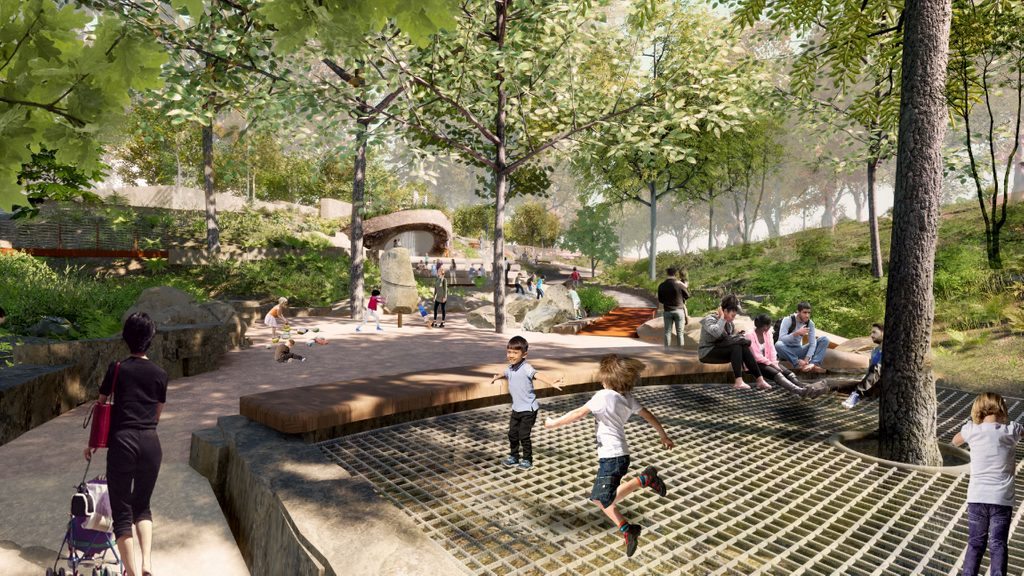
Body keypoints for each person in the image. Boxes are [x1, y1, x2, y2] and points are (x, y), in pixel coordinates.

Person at [544, 354, 674, 558]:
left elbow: (578, 413)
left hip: (612, 458)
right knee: (602, 500)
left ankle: (645, 481)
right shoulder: (627, 398)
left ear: (607, 380)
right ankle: (627, 528)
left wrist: (553, 424)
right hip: (618, 456)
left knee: (602, 498)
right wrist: (663, 435)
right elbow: (648, 415)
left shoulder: (603, 396)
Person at [84, 312, 166, 576]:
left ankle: (130, 572)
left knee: (122, 513)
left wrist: (94, 441)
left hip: (123, 442)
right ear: (151, 339)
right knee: (142, 505)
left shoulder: (117, 368)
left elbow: (101, 404)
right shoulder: (160, 374)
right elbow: (157, 415)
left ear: (126, 337)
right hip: (151, 443)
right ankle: (147, 565)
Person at [952, 392, 1023, 576]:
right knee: (998, 544)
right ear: (1002, 409)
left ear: (978, 409)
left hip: (977, 498)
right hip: (1001, 500)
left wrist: (972, 427)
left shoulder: (972, 430)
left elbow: (955, 441)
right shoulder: (1011, 431)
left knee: (975, 543)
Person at [489, 336, 564, 470]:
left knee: (523, 435)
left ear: (524, 354)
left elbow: (538, 375)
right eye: (509, 352)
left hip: (529, 410)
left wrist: (551, 382)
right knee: (512, 434)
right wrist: (497, 377)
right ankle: (514, 456)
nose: (511, 355)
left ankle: (527, 459)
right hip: (516, 409)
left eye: (515, 353)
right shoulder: (510, 368)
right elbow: (504, 372)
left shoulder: (526, 368)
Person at [698, 295, 772, 391]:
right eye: (732, 315)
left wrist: (738, 336)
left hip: (720, 351)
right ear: (725, 311)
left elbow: (728, 340)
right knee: (736, 346)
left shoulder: (729, 324)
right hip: (707, 353)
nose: (733, 318)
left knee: (742, 346)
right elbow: (716, 333)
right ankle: (739, 381)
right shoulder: (710, 319)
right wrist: (722, 318)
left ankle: (760, 380)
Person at [748, 314, 827, 398]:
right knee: (777, 373)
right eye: (768, 326)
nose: (770, 328)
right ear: (765, 326)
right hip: (755, 364)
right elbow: (757, 356)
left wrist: (774, 363)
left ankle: (806, 388)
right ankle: (800, 391)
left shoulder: (767, 334)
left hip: (768, 362)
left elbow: (772, 351)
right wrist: (772, 365)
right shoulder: (749, 335)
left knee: (788, 373)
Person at [775, 302, 829, 374]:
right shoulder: (788, 320)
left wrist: (806, 360)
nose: (807, 315)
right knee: (778, 344)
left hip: (799, 350)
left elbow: (812, 343)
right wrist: (796, 333)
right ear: (798, 312)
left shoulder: (810, 323)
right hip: (786, 351)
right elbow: (781, 339)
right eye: (804, 312)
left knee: (824, 339)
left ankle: (813, 364)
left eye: (809, 313)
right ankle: (797, 364)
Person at [841, 323, 884, 409]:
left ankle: (857, 394)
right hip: (872, 384)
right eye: (871, 333)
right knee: (842, 383)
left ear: (883, 332)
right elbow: (870, 371)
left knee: (877, 367)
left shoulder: (892, 348)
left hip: (885, 383)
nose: (871, 335)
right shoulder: (875, 351)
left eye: (874, 332)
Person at [657, 268, 690, 348]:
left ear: (667, 274)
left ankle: (667, 350)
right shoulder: (679, 284)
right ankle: (680, 351)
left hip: (667, 311)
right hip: (679, 311)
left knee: (667, 332)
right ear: (675, 274)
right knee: (680, 332)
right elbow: (687, 295)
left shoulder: (662, 285)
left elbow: (660, 300)